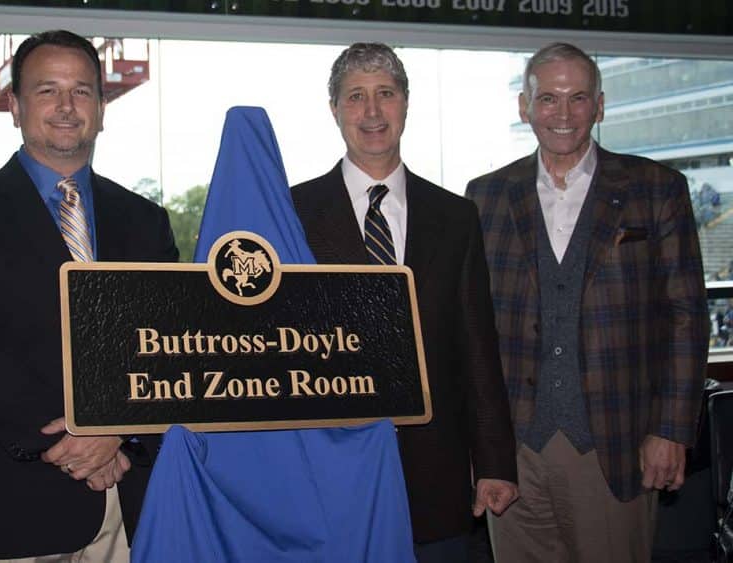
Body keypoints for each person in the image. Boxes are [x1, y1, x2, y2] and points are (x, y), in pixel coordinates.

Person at [0, 30, 178, 561]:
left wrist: (118, 434)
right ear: (14, 106)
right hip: (14, 500)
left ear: (102, 109)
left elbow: (167, 345)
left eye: (82, 91)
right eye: (46, 90)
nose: (66, 106)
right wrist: (78, 441)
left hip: (130, 497)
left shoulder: (146, 221)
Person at [466, 42, 709, 562]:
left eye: (578, 99)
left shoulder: (657, 189)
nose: (563, 114)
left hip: (614, 444)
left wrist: (670, 429)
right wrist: (481, 445)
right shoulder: (483, 196)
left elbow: (687, 319)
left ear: (599, 106)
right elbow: (470, 328)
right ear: (524, 107)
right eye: (548, 99)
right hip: (514, 449)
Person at [291, 42, 518, 562]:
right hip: (327, 473)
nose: (372, 112)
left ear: (406, 103)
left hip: (435, 474)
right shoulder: (292, 212)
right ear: (334, 111)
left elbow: (477, 350)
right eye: (356, 97)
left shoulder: (456, 217)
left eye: (385, 94)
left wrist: (495, 462)